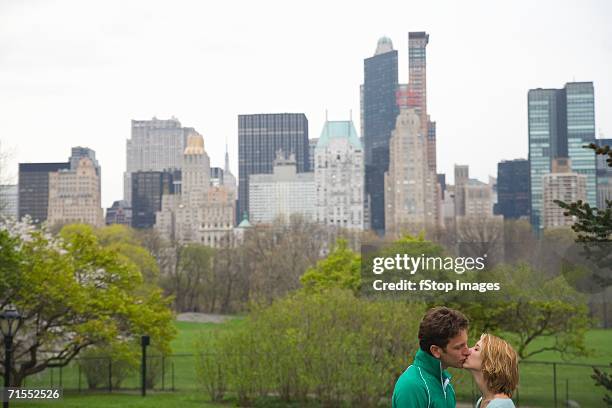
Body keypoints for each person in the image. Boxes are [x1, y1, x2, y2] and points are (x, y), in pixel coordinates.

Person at [392, 306, 470, 408]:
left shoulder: (445, 385)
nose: (467, 351)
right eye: (458, 347)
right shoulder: (412, 386)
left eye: (466, 344)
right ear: (436, 351)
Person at [463, 333, 519, 408]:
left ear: (491, 363)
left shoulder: (501, 406)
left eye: (476, 349)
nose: (468, 350)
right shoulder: (482, 401)